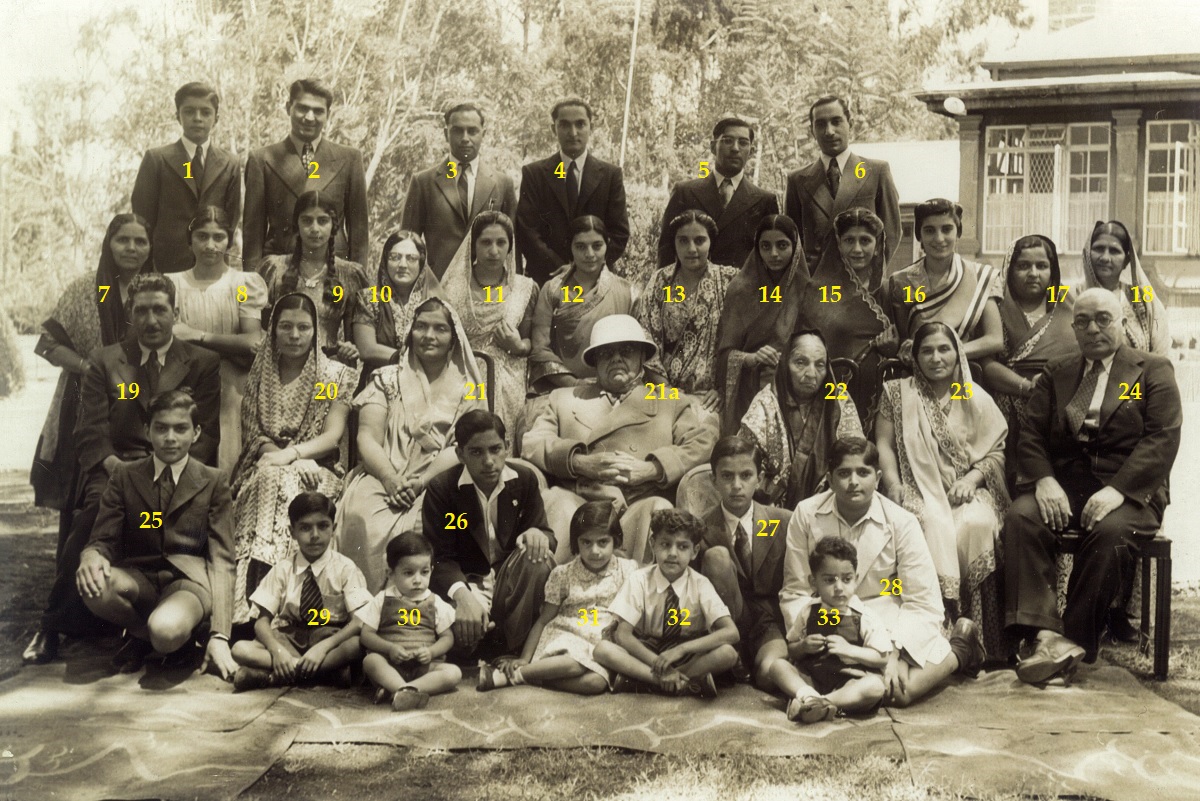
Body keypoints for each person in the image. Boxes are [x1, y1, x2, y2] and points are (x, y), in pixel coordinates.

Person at [26, 274, 221, 666]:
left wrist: (168, 471)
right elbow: (90, 432)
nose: (151, 320)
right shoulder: (105, 360)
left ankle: (167, 624)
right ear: (130, 314)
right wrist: (124, 472)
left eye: (160, 310)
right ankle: (52, 623)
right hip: (116, 467)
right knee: (92, 516)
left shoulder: (201, 362)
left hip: (177, 469)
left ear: (175, 313)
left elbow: (206, 435)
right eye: (141, 311)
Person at [1004, 288, 1181, 683]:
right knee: (1022, 517)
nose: (1092, 329)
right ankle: (1043, 633)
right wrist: (1045, 480)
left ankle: (1073, 640)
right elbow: (1030, 434)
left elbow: (1162, 439)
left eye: (1103, 319)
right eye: (1082, 321)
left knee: (1111, 533)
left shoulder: (1153, 370)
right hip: (1065, 485)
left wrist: (1118, 490)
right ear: (1073, 327)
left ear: (1122, 323)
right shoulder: (1058, 371)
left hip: (1131, 491)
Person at [781, 437, 985, 708]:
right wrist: (808, 636)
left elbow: (921, 600)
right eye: (844, 473)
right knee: (802, 676)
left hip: (885, 620)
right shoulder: (807, 514)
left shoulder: (901, 522)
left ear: (878, 479)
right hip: (825, 620)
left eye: (863, 472)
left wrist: (896, 653)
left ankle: (960, 648)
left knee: (897, 691)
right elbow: (796, 589)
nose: (853, 482)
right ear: (829, 479)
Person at [523, 314, 719, 565]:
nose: (616, 359)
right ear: (595, 361)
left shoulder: (669, 399)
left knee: (659, 510)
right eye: (606, 353)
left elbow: (702, 443)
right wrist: (579, 462)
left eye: (626, 351)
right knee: (557, 502)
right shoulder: (564, 398)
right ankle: (550, 584)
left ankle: (646, 589)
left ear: (642, 357)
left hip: (636, 505)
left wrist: (652, 469)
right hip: (579, 503)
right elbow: (533, 443)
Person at [74, 390, 237, 678]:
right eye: (161, 428)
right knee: (95, 584)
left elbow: (222, 558)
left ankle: (169, 638)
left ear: (196, 433)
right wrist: (91, 555)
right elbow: (103, 538)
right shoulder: (125, 475)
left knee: (165, 631)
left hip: (188, 583)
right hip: (140, 580)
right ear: (147, 431)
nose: (170, 438)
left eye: (180, 428)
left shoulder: (213, 481)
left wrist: (220, 634)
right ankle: (142, 635)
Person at [875, 321, 1008, 656]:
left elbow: (996, 452)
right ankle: (936, 637)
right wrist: (893, 485)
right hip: (914, 487)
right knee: (923, 522)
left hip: (965, 490)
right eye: (927, 351)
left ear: (957, 352)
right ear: (915, 357)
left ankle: (980, 638)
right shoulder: (898, 392)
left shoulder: (970, 394)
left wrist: (971, 480)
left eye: (944, 349)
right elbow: (883, 445)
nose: (936, 358)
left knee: (977, 524)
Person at [337, 297, 485, 591]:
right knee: (359, 517)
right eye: (421, 327)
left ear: (453, 339)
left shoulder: (468, 389)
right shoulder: (385, 379)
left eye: (440, 328)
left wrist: (421, 482)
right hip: (382, 472)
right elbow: (367, 436)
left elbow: (465, 447)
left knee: (432, 522)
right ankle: (363, 605)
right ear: (410, 333)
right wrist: (390, 479)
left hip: (439, 478)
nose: (429, 335)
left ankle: (422, 607)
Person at [30, 214, 155, 559]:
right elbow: (48, 344)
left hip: (141, 401)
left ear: (150, 247)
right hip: (86, 399)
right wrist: (90, 368)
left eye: (140, 241)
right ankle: (72, 570)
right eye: (123, 240)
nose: (131, 248)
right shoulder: (87, 287)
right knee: (84, 489)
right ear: (108, 244)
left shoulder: (158, 288)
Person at [231, 293, 359, 621]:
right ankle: (250, 605)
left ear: (315, 331)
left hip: (318, 468)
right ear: (273, 330)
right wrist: (286, 460)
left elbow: (332, 435)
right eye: (285, 327)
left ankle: (283, 606)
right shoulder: (261, 373)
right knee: (271, 479)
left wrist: (295, 456)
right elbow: (254, 435)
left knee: (281, 481)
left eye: (303, 327)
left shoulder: (333, 375)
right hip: (266, 464)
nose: (294, 335)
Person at [423, 411, 556, 655]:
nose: (488, 461)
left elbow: (547, 534)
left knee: (538, 557)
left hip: (510, 582)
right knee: (461, 638)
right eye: (476, 452)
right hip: (469, 580)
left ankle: (514, 649)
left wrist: (537, 533)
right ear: (460, 454)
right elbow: (440, 557)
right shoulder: (443, 489)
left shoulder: (524, 479)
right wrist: (463, 597)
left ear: (507, 447)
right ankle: (486, 642)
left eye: (495, 449)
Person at [478, 500, 637, 694]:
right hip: (567, 637)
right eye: (586, 542)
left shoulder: (627, 571)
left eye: (603, 542)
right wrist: (525, 658)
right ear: (576, 543)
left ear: (615, 541)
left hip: (600, 645)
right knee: (575, 662)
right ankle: (513, 675)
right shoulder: (563, 574)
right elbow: (543, 620)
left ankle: (532, 676)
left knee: (596, 684)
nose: (595, 551)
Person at [231, 492, 369, 692]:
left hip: (329, 638)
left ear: (334, 528)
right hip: (290, 638)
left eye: (323, 526)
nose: (315, 535)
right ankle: (323, 674)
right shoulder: (283, 569)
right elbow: (262, 622)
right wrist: (277, 652)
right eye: (305, 528)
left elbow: (358, 621)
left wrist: (323, 647)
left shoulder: (346, 569)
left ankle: (276, 676)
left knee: (356, 644)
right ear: (292, 531)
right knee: (240, 649)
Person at [594, 508, 740, 697]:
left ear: (695, 551)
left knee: (728, 653)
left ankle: (650, 681)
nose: (672, 553)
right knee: (602, 650)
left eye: (682, 547)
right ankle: (672, 681)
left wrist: (681, 649)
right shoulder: (639, 579)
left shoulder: (700, 584)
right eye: (665, 544)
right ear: (652, 544)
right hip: (646, 652)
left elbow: (731, 632)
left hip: (686, 653)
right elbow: (623, 635)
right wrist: (661, 666)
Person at [168, 207, 268, 471]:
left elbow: (252, 341)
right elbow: (170, 339)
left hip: (231, 387)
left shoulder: (243, 285)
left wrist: (196, 335)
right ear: (190, 240)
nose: (210, 245)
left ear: (230, 241)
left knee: (227, 461)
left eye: (218, 237)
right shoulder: (173, 285)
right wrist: (228, 345)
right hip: (184, 383)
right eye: (202, 236)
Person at [696, 437, 791, 686]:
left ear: (759, 478)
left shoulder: (782, 521)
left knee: (770, 673)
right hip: (726, 623)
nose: (736, 485)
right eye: (727, 476)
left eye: (746, 475)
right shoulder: (700, 528)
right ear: (714, 480)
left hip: (769, 622)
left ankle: (757, 665)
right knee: (717, 557)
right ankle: (732, 655)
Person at [243, 78, 369, 266]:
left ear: (328, 114)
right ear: (288, 108)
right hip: (281, 267)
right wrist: (253, 279)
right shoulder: (262, 159)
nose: (310, 117)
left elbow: (359, 233)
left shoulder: (350, 159)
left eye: (318, 111)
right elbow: (252, 234)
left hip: (333, 267)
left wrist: (357, 277)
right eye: (302, 108)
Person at [980, 235, 1078, 476]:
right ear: (1009, 270)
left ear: (1052, 271)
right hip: (1006, 408)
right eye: (1023, 266)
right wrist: (1028, 387)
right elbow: (986, 364)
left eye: (1042, 266)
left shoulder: (1066, 305)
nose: (1033, 273)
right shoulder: (995, 307)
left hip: (1059, 408)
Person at [797, 208, 898, 434]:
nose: (857, 249)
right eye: (849, 240)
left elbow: (904, 344)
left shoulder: (890, 291)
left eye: (865, 240)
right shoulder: (818, 290)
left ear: (877, 246)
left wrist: (893, 348)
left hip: (881, 400)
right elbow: (804, 344)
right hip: (828, 394)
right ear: (838, 244)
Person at [441, 211, 538, 444]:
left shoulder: (525, 287)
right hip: (462, 378)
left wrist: (518, 346)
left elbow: (530, 340)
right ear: (473, 246)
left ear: (510, 247)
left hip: (509, 378)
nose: (493, 251)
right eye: (485, 242)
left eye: (501, 243)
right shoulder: (452, 288)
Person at [738, 329, 863, 508]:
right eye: (801, 362)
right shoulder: (766, 402)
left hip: (830, 503)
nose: (811, 373)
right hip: (774, 508)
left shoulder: (837, 398)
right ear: (785, 364)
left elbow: (855, 454)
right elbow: (745, 464)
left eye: (820, 365)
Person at [773, 536, 892, 723]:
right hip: (813, 678)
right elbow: (792, 650)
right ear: (813, 582)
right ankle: (811, 698)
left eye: (846, 579)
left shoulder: (864, 616)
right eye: (829, 580)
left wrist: (850, 650)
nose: (839, 588)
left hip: (849, 683)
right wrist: (803, 646)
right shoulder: (808, 610)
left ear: (856, 580)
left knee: (876, 687)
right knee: (777, 666)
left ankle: (818, 702)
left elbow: (882, 658)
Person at [516, 96, 630, 286]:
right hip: (547, 279)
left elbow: (619, 233)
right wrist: (561, 269)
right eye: (564, 125)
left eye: (580, 124)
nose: (573, 132)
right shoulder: (534, 174)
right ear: (554, 129)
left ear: (591, 127)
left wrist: (584, 268)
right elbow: (527, 231)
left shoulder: (610, 176)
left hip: (596, 281)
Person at [131, 82, 241, 274]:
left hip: (213, 267)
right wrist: (149, 270)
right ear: (177, 116)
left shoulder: (229, 163)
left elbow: (231, 220)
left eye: (205, 112)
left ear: (216, 119)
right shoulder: (157, 159)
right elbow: (142, 220)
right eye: (189, 111)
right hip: (167, 268)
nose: (197, 118)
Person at [636, 210, 739, 413]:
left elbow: (740, 341)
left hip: (710, 398)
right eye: (683, 241)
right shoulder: (660, 281)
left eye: (699, 240)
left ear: (711, 242)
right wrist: (667, 391)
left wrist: (722, 388)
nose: (691, 249)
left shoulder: (730, 280)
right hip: (662, 391)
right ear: (674, 243)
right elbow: (646, 336)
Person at [401, 102, 517, 279]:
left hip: (488, 285)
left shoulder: (503, 183)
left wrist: (513, 285)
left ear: (483, 134)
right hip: (439, 283)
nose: (465, 138)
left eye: (472, 131)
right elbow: (408, 243)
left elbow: (513, 246)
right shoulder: (423, 182)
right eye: (457, 131)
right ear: (446, 134)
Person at [784, 95, 901, 271]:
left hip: (862, 280)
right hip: (816, 282)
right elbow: (792, 239)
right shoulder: (797, 180)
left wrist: (871, 275)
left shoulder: (876, 171)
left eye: (836, 121)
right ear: (812, 131)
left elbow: (891, 232)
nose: (829, 131)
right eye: (820, 124)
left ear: (850, 124)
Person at [715, 214, 807, 433]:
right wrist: (751, 358)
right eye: (765, 246)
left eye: (782, 245)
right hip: (749, 388)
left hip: (798, 386)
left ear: (795, 247)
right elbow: (724, 355)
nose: (773, 254)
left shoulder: (808, 290)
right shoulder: (741, 290)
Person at [883, 199, 1004, 360]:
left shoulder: (981, 276)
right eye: (929, 230)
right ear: (919, 235)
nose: (939, 238)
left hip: (965, 368)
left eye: (946, 229)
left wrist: (944, 352)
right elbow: (904, 340)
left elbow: (994, 340)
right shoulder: (902, 281)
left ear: (958, 232)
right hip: (918, 369)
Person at [528, 215, 636, 394]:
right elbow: (540, 350)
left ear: (607, 245)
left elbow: (636, 350)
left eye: (597, 246)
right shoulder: (552, 290)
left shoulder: (627, 292)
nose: (590, 254)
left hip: (616, 388)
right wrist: (574, 384)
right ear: (570, 247)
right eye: (580, 247)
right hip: (561, 389)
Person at [259, 190, 369, 364]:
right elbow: (258, 328)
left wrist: (348, 350)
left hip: (329, 366)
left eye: (322, 221)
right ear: (297, 224)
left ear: (333, 225)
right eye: (307, 220)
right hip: (278, 366)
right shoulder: (274, 268)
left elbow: (355, 341)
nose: (315, 229)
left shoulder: (349, 274)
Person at [358, 532, 463, 711]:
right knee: (371, 661)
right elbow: (366, 635)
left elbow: (447, 637)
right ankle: (401, 688)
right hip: (391, 666)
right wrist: (389, 648)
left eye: (424, 572)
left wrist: (431, 652)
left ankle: (402, 690)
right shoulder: (382, 599)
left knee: (454, 673)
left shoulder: (435, 601)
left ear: (431, 570)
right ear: (391, 573)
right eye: (408, 573)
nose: (417, 580)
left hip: (424, 667)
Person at [656, 117, 780, 269]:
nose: (735, 148)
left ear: (751, 151)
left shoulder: (764, 200)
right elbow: (666, 249)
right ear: (713, 147)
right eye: (728, 141)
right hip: (692, 281)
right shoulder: (685, 192)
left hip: (741, 283)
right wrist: (666, 282)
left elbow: (771, 256)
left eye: (743, 143)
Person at [352, 231, 446, 374]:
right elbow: (366, 349)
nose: (402, 265)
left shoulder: (434, 302)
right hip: (378, 379)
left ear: (421, 264)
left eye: (411, 258)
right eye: (395, 257)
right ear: (385, 261)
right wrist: (410, 359)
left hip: (425, 378)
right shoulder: (370, 298)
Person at [1083, 220, 1169, 356]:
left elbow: (1161, 351)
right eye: (1099, 249)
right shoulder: (1071, 294)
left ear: (1127, 261)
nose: (1105, 258)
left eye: (1114, 251)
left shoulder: (1142, 297)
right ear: (1088, 253)